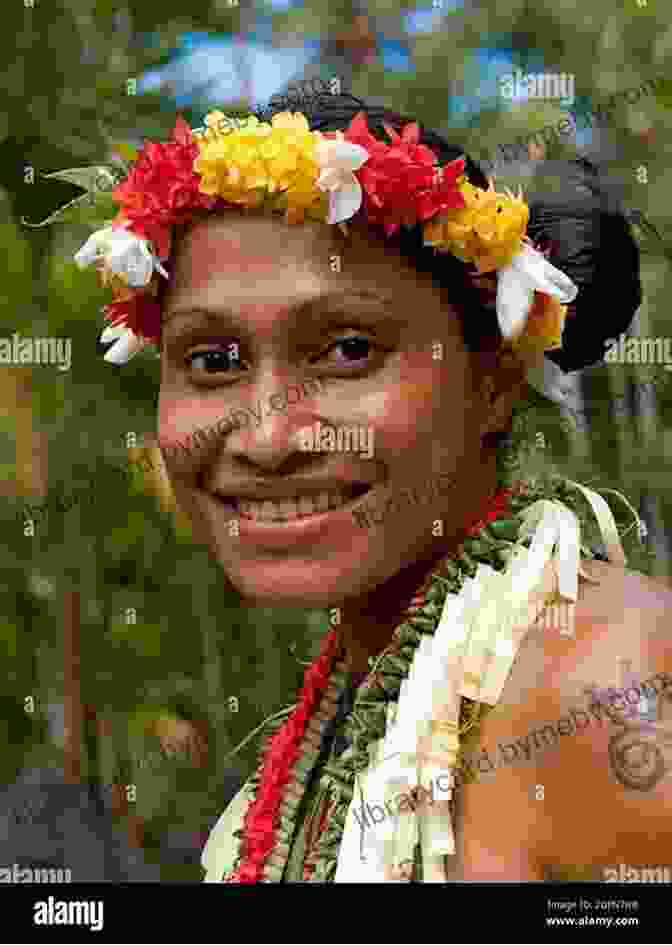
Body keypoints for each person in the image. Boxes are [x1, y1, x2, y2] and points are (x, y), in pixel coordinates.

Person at [48, 90, 672, 882]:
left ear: (495, 380)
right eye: (213, 360)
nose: (270, 436)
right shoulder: (356, 701)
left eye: (347, 349)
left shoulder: (614, 688)